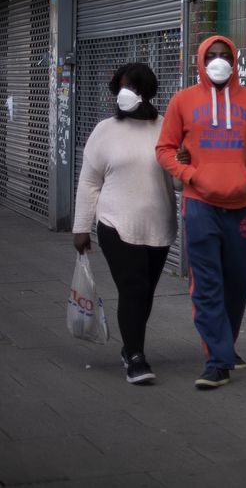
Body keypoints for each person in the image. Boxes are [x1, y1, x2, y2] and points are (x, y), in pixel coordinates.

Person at [156, 35, 246, 390]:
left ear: (235, 59)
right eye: (213, 55)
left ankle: (226, 346)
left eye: (225, 55)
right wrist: (190, 175)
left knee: (237, 284)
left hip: (243, 207)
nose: (219, 60)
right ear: (201, 59)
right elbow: (164, 148)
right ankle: (217, 361)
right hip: (200, 206)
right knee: (206, 285)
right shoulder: (183, 101)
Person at [73, 62, 178, 385]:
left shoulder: (167, 129)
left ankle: (131, 345)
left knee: (145, 293)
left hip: (159, 225)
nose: (124, 93)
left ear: (146, 91)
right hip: (115, 224)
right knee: (132, 288)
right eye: (120, 87)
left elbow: (179, 183)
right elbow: (89, 182)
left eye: (131, 87)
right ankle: (135, 357)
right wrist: (81, 227)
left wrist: (187, 165)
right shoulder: (105, 130)